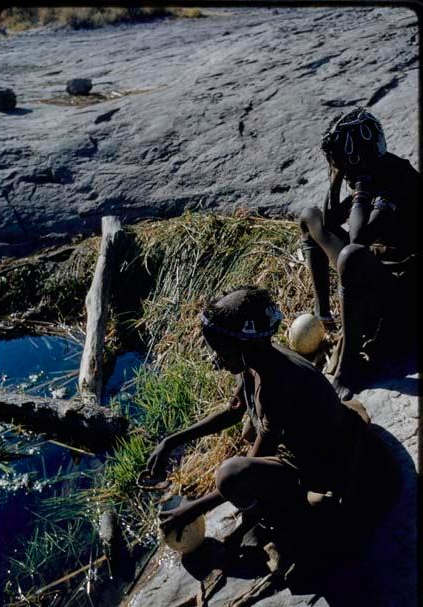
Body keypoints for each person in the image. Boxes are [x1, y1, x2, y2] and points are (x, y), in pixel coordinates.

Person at [145, 287, 401, 567]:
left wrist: (193, 509)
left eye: (222, 353)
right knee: (247, 430)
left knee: (229, 475)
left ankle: (268, 515)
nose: (217, 360)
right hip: (308, 442)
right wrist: (171, 440)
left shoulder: (276, 385)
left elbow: (246, 467)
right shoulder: (257, 360)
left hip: (327, 464)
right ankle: (263, 509)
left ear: (244, 347)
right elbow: (232, 412)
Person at [299, 108, 420, 400]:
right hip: (378, 271)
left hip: (407, 286)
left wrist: (362, 189)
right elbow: (328, 221)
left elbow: (358, 237)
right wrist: (336, 180)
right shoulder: (365, 174)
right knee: (309, 217)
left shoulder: (396, 176)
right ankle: (325, 314)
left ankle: (350, 363)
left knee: (351, 256)